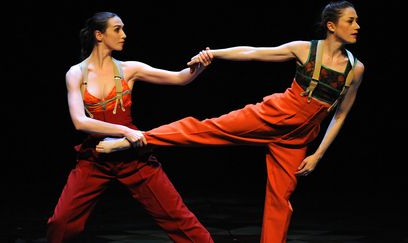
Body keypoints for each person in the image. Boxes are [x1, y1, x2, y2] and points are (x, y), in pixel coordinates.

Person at [95, 1, 364, 242]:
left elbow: (340, 115)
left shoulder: (355, 68)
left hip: (298, 138)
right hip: (274, 115)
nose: (357, 26)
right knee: (204, 129)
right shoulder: (306, 50)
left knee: (280, 200)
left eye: (356, 21)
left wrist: (317, 154)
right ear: (331, 25)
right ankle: (133, 139)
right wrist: (214, 53)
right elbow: (253, 53)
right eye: (350, 20)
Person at [46, 12, 214, 243]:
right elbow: (79, 121)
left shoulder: (129, 69)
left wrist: (200, 65)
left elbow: (179, 78)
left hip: (133, 155)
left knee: (178, 218)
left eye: (123, 29)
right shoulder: (76, 73)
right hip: (96, 157)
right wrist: (125, 131)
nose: (124, 35)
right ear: (99, 35)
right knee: (61, 223)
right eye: (117, 29)